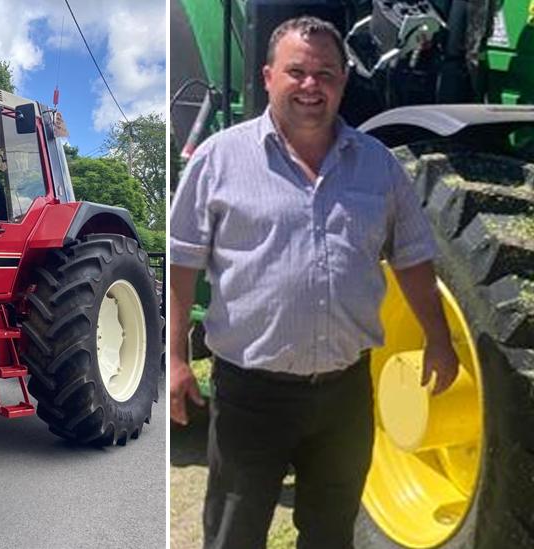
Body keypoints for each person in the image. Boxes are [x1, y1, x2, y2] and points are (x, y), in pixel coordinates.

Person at [168, 16, 460, 549]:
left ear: (343, 82)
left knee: (331, 534)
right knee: (234, 535)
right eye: (296, 71)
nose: (310, 85)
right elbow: (181, 263)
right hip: (251, 397)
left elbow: (413, 259)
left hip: (345, 395)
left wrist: (439, 340)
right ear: (267, 77)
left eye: (325, 73)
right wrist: (174, 359)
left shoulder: (378, 166)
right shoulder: (220, 159)